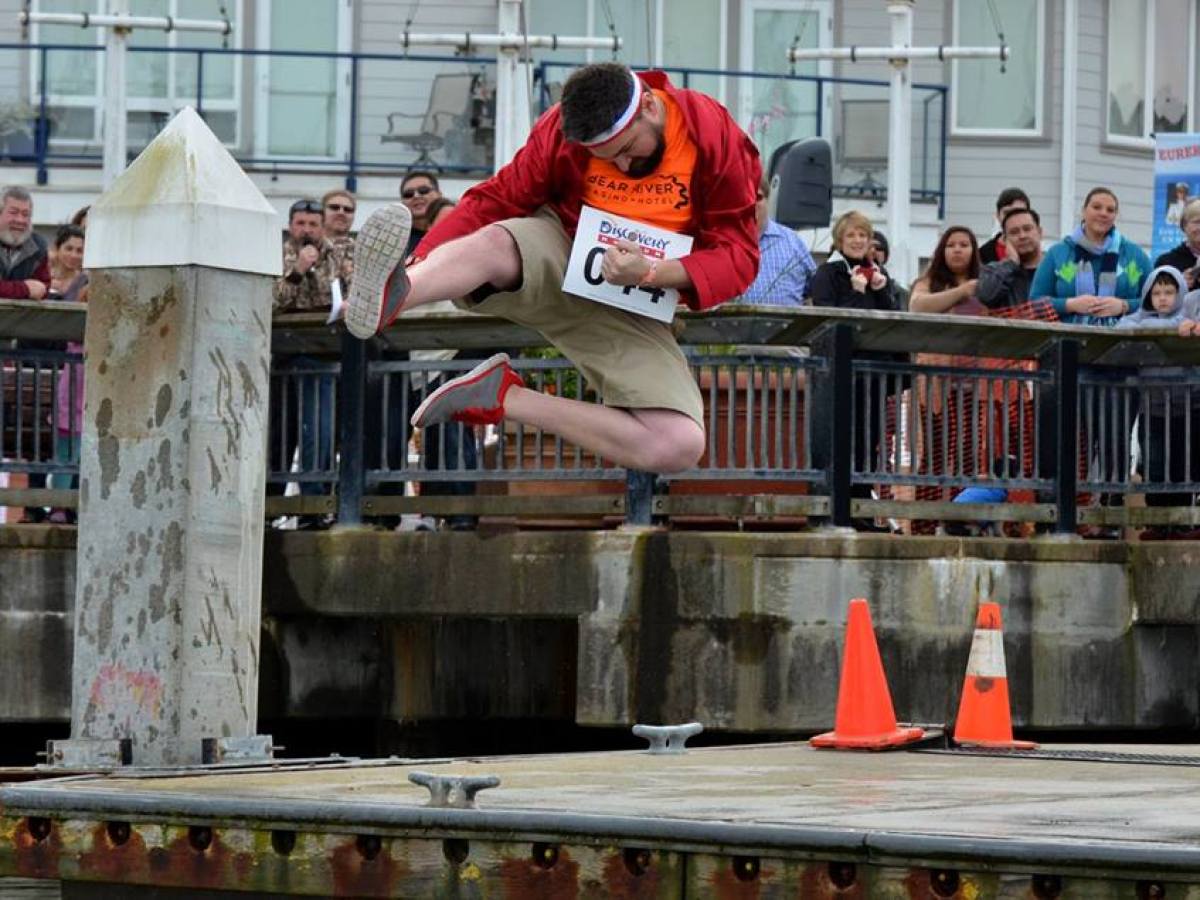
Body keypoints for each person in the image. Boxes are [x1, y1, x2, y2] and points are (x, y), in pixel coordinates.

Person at [344, 62, 761, 477]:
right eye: (606, 158)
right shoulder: (557, 132)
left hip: (637, 298)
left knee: (677, 444)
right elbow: (499, 197)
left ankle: (502, 396)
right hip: (564, 250)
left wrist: (652, 272)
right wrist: (423, 255)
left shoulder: (711, 136)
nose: (620, 166)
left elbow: (739, 256)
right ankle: (398, 289)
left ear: (649, 106)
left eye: (627, 149)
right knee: (496, 241)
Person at [810, 210, 897, 531]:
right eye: (852, 235)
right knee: (842, 439)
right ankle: (839, 511)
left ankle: (861, 510)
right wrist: (857, 292)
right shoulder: (828, 274)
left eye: (863, 235)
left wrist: (883, 289)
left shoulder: (877, 272)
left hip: (873, 374)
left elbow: (892, 319)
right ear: (839, 240)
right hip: (841, 375)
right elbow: (832, 319)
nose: (859, 241)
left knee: (869, 442)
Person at [908, 226, 991, 534]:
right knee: (935, 454)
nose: (958, 250)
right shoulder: (929, 281)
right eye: (951, 245)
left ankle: (960, 519)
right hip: (937, 384)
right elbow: (917, 306)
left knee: (969, 453)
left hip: (977, 382)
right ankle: (925, 523)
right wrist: (961, 291)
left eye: (965, 244)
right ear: (942, 250)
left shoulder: (987, 285)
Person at [272, 198, 346, 528]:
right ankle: (270, 508)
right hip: (283, 354)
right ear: (291, 225)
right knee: (278, 435)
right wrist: (298, 270)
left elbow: (355, 296)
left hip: (326, 353)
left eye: (313, 224)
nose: (307, 230)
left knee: (320, 432)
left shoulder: (340, 254)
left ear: (321, 226)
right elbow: (271, 302)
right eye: (300, 223)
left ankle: (315, 506)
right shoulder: (276, 254)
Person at [1116, 267, 1200, 536]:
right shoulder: (1138, 320)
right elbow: (1122, 328)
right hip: (1152, 408)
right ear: (1147, 295)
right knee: (1154, 464)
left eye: (1170, 292)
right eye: (1157, 292)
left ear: (1181, 295)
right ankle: (1157, 523)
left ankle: (1182, 522)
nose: (1163, 298)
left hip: (1188, 406)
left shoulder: (1190, 319)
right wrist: (1173, 328)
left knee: (1184, 464)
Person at [1030, 187, 1150, 326]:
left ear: (1115, 216)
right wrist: (1070, 305)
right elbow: (1035, 303)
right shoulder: (1058, 253)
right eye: (1097, 207)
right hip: (1068, 342)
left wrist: (1124, 306)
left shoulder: (1134, 255)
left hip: (1122, 342)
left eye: (1110, 210)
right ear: (1084, 211)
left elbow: (1157, 301)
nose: (1103, 213)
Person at [739, 173, 815, 305]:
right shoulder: (715, 244)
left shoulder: (793, 242)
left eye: (758, 197)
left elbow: (816, 289)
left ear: (768, 200)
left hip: (788, 326)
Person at [399, 171, 454, 256]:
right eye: (408, 194)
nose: (416, 196)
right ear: (402, 202)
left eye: (423, 190)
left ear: (439, 194)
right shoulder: (397, 240)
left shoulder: (459, 229)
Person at [1155, 197, 1200, 290]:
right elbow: (1154, 301)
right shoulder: (1166, 263)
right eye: (1197, 222)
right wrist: (1176, 285)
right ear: (1184, 225)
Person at [979, 187, 1030, 265]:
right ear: (998, 216)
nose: (1012, 218)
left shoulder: (1038, 252)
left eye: (1019, 212)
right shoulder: (982, 254)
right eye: (1007, 213)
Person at [321, 188, 357, 282]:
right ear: (321, 213)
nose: (341, 212)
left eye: (348, 210)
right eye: (334, 207)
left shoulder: (362, 253)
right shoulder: (305, 248)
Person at [49, 225, 87, 301]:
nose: (74, 255)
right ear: (57, 248)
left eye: (79, 251)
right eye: (69, 249)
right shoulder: (42, 277)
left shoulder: (85, 282)